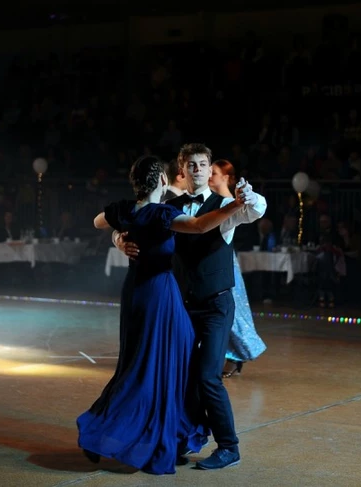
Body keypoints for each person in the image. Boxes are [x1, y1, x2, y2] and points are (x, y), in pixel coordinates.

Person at [78, 155, 247, 475]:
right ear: (162, 181)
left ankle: (162, 433)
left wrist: (121, 235)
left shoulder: (126, 209)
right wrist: (234, 205)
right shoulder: (161, 213)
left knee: (143, 365)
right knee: (168, 366)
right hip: (161, 296)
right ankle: (189, 437)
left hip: (135, 294)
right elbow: (199, 226)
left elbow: (98, 221)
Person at [114, 143, 266, 470]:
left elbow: (255, 210)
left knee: (208, 376)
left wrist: (249, 197)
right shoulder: (168, 207)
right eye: (191, 164)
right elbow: (129, 221)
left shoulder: (225, 205)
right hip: (181, 306)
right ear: (181, 171)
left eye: (202, 164)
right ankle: (184, 439)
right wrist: (120, 241)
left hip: (216, 305)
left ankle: (229, 447)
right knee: (181, 375)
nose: (197, 169)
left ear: (210, 169)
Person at [207, 159, 267, 378]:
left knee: (231, 310)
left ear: (227, 177)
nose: (209, 175)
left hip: (225, 262)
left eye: (214, 172)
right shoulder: (210, 199)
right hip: (211, 262)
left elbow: (253, 213)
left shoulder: (232, 202)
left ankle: (236, 356)